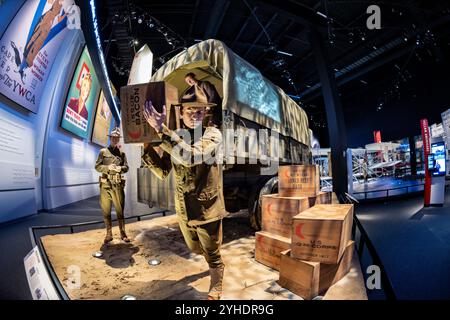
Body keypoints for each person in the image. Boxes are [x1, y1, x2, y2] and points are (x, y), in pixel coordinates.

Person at [141, 90, 227, 300]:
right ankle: (210, 263)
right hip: (184, 210)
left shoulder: (213, 135)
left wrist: (162, 130)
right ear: (181, 112)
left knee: (212, 253)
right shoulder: (176, 136)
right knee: (196, 248)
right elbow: (162, 172)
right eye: (190, 110)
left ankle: (216, 285)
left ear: (206, 112)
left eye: (200, 110)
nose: (195, 115)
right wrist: (146, 143)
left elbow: (190, 156)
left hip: (207, 208)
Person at [95, 127, 130, 244]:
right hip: (105, 185)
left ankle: (122, 232)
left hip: (118, 185)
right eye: (113, 138)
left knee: (120, 210)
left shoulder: (122, 153)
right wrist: (107, 168)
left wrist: (120, 168)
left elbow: (126, 167)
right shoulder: (103, 152)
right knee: (106, 210)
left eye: (117, 138)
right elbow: (97, 167)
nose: (115, 139)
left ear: (118, 140)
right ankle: (108, 234)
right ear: (110, 139)